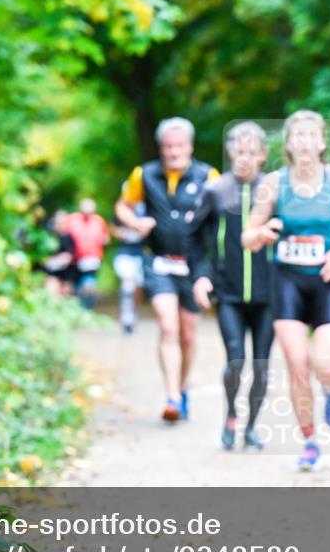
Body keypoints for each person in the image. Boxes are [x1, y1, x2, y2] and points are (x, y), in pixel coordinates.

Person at [242, 110, 330, 471]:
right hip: (287, 280)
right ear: (289, 144)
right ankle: (309, 441)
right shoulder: (274, 184)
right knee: (296, 364)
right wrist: (261, 234)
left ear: (322, 142)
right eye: (298, 136)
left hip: (328, 281)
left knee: (326, 364)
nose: (305, 142)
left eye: (312, 135)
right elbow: (247, 237)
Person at [114, 117, 220, 422]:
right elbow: (122, 206)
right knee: (168, 325)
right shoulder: (144, 175)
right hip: (158, 260)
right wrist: (135, 222)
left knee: (187, 333)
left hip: (194, 263)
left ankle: (183, 388)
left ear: (190, 146)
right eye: (169, 147)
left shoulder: (207, 175)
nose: (174, 152)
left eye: (180, 146)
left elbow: (223, 214)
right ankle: (172, 396)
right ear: (162, 148)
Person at [189, 122, 274, 450]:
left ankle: (251, 425)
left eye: (252, 152)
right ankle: (230, 416)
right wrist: (201, 275)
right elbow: (194, 236)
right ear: (230, 153)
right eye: (239, 151)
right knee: (236, 359)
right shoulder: (216, 191)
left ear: (264, 155)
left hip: (269, 296)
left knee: (262, 365)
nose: (245, 158)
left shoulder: (274, 190)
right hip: (229, 293)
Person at [64, 197, 110, 309]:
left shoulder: (99, 221)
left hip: (92, 258)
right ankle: (75, 307)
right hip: (74, 259)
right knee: (73, 286)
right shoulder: (72, 220)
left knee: (89, 283)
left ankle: (87, 307)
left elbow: (106, 238)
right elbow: (63, 236)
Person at [110, 198, 147, 335]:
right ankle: (126, 317)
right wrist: (121, 234)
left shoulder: (145, 208)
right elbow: (112, 227)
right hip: (125, 254)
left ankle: (132, 313)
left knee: (138, 287)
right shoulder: (119, 210)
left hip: (141, 254)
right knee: (128, 283)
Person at [42, 209, 81, 298]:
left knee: (65, 296)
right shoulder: (49, 236)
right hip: (52, 272)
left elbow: (71, 254)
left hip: (67, 273)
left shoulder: (69, 237)